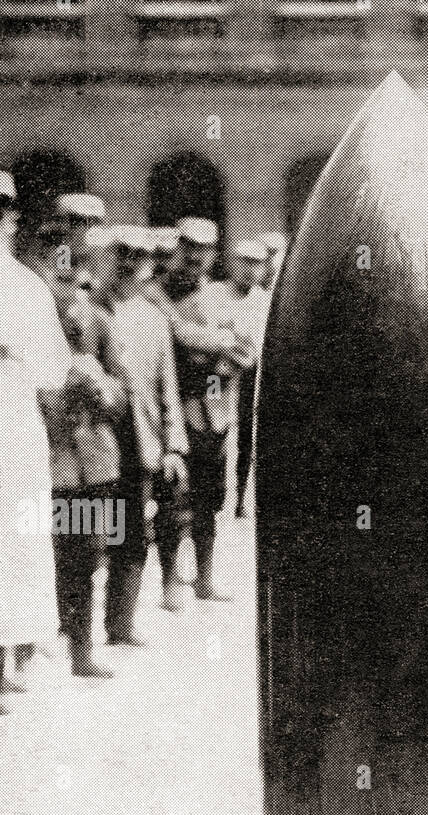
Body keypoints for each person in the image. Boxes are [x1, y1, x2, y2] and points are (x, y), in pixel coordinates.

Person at [147, 216, 255, 602]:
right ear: (177, 250)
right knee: (175, 497)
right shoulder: (156, 293)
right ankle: (171, 578)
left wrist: (214, 350)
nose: (195, 259)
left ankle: (205, 577)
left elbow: (246, 349)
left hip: (215, 408)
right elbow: (174, 334)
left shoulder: (217, 297)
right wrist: (219, 345)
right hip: (174, 408)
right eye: (189, 250)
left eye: (204, 252)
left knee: (211, 497)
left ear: (213, 256)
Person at [0, 171, 73, 710]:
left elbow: (51, 370)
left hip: (12, 423)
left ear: (11, 220)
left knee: (19, 537)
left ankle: (16, 654)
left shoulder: (25, 287)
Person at [41, 224, 128, 676]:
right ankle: (36, 642)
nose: (68, 294)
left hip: (94, 461)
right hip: (49, 459)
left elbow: (121, 395)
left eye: (74, 280)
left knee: (87, 556)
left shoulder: (99, 323)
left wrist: (96, 383)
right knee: (47, 555)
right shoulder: (30, 323)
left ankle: (81, 650)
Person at [94, 226, 190, 629]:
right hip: (100, 440)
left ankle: (121, 622)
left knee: (135, 533)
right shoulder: (93, 309)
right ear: (112, 258)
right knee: (94, 532)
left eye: (140, 257)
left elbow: (168, 384)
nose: (131, 265)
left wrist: (173, 446)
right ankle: (74, 626)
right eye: (124, 255)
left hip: (143, 439)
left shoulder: (153, 318)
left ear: (150, 263)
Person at [223, 239, 271, 519]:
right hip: (220, 379)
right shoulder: (216, 295)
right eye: (245, 262)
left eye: (257, 264)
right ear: (234, 263)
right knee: (222, 437)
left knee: (248, 438)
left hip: (252, 376)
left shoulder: (264, 302)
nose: (250, 270)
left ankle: (242, 497)